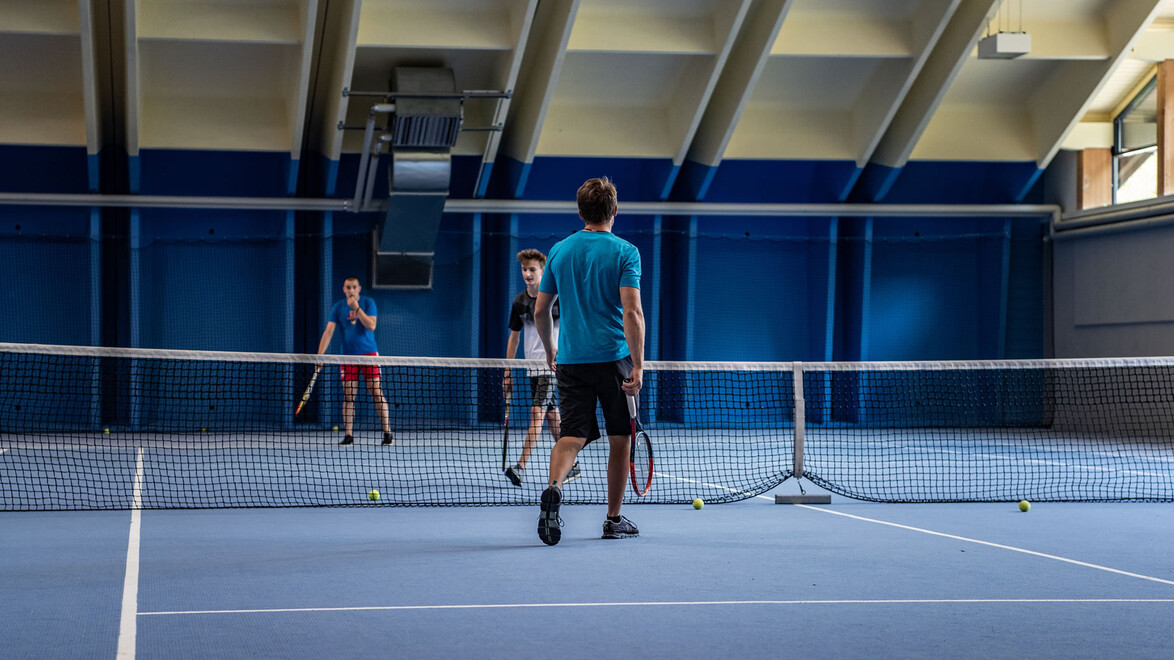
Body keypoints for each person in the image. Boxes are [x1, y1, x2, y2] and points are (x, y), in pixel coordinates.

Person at [534, 176, 644, 545]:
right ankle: (613, 519)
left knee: (571, 435)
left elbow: (541, 310)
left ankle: (554, 488)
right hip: (615, 360)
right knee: (620, 439)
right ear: (614, 211)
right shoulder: (626, 252)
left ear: (581, 212)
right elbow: (632, 313)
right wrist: (639, 365)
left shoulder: (559, 251)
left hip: (571, 361)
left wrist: (551, 350)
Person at [502, 249, 579, 487]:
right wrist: (508, 370)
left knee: (537, 412)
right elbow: (514, 338)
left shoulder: (556, 300)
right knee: (551, 415)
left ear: (543, 271)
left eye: (532, 269)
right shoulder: (519, 302)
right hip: (531, 367)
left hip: (552, 366)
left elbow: (571, 329)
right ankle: (573, 466)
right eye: (524, 269)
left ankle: (520, 466)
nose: (527, 273)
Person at [315, 276, 393, 446]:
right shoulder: (337, 308)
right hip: (348, 357)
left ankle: (387, 433)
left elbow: (371, 325)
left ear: (359, 288)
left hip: (369, 355)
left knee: (376, 393)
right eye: (348, 287)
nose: (351, 290)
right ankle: (349, 435)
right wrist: (320, 355)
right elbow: (328, 332)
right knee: (349, 395)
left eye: (354, 287)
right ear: (344, 289)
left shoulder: (368, 303)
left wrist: (356, 308)